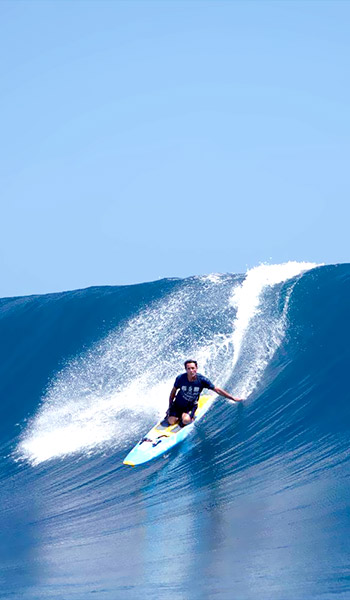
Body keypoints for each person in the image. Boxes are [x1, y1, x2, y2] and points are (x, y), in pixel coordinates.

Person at [167, 359, 243, 426]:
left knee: (185, 420)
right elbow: (173, 392)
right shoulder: (180, 378)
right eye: (188, 369)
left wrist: (233, 398)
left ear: (196, 368)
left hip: (190, 406)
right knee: (171, 421)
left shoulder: (202, 380)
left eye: (193, 368)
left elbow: (217, 390)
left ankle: (189, 417)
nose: (191, 371)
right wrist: (170, 406)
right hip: (177, 405)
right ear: (186, 370)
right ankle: (179, 415)